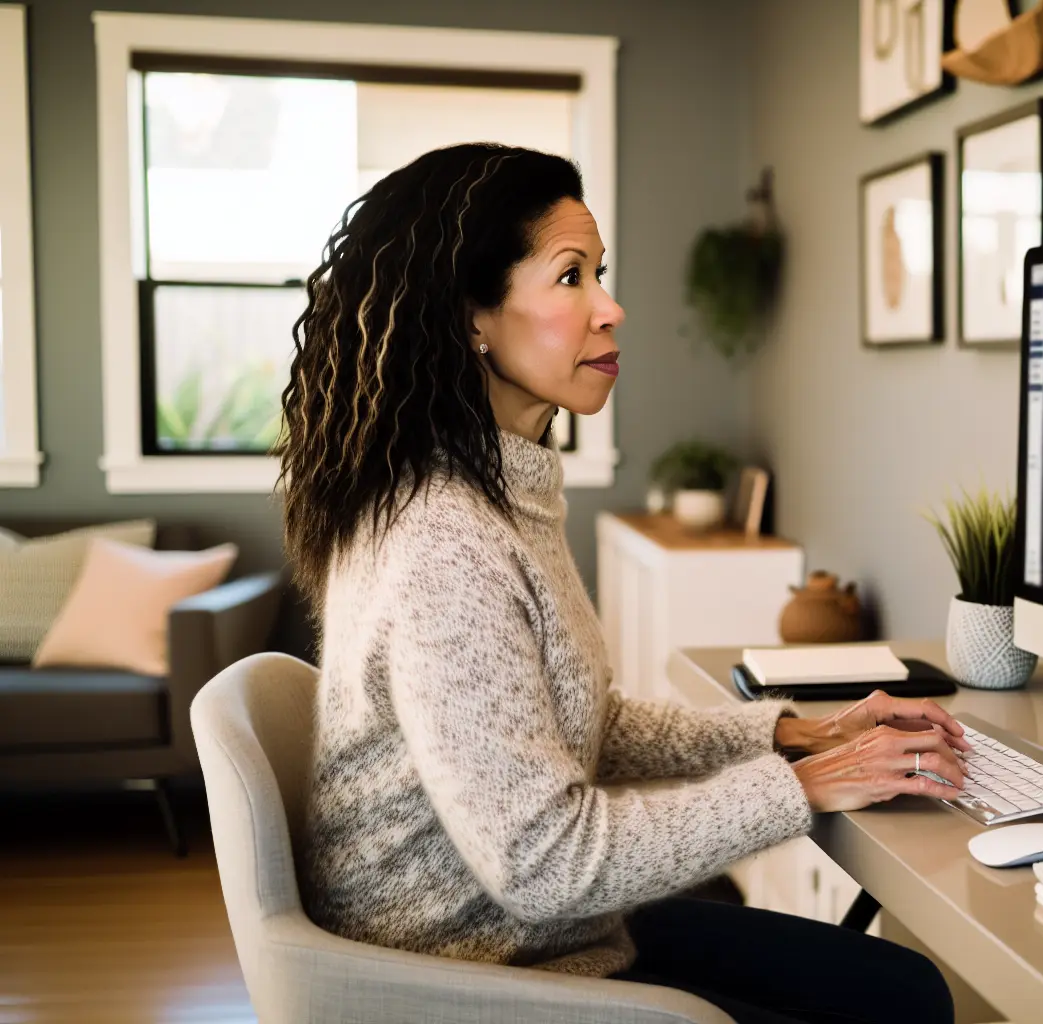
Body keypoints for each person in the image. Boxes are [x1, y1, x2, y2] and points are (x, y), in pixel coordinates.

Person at [285, 143, 960, 1024]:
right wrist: (803, 787)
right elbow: (543, 861)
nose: (612, 308)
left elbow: (588, 724)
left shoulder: (499, 493)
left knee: (901, 990)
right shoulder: (442, 545)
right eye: (571, 277)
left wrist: (798, 735)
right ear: (469, 319)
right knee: (898, 1007)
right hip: (472, 979)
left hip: (544, 937)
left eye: (600, 273)